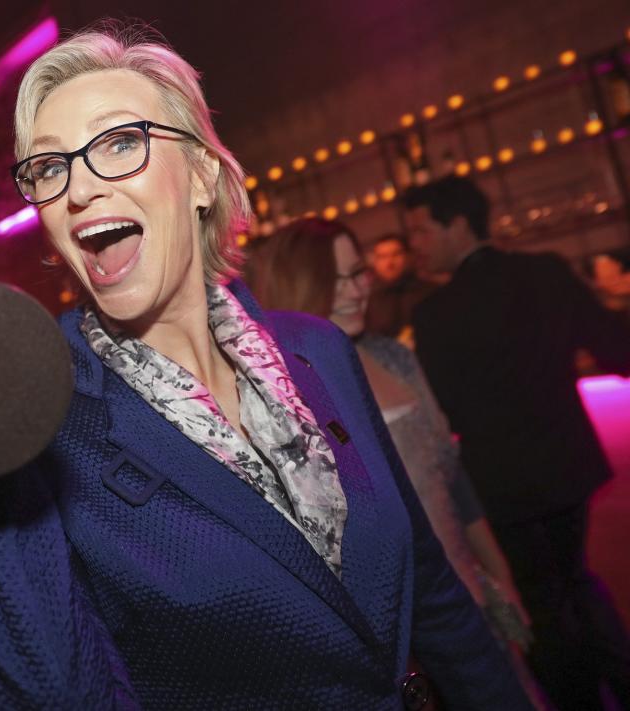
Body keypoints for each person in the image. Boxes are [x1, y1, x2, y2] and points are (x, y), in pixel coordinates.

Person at [0, 26, 530, 710]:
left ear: (201, 175)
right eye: (49, 167)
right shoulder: (45, 426)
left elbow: (427, 587)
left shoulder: (321, 351)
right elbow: (42, 689)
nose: (77, 190)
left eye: (119, 142)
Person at [248, 217, 544, 706]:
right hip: (400, 628)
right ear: (297, 284)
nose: (358, 288)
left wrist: (499, 575)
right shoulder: (288, 399)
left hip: (464, 595)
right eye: (337, 278)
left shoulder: (394, 357)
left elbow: (453, 479)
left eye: (359, 271)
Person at [404, 175, 630, 711]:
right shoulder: (545, 273)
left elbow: (444, 413)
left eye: (419, 229)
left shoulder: (435, 313)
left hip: (502, 487)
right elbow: (615, 346)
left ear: (457, 224)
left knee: (542, 603)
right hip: (569, 466)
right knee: (575, 579)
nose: (415, 243)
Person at [365, 233, 438, 346]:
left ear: (409, 256)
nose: (389, 263)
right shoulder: (369, 303)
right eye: (382, 257)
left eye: (396, 254)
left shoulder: (430, 292)